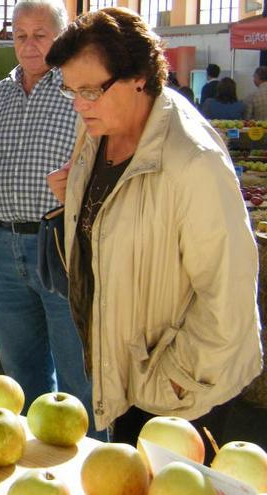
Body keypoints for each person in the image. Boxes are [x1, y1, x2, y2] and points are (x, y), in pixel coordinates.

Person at [45, 8, 262, 453]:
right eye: (71, 92)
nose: (79, 105)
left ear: (140, 77)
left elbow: (229, 297)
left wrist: (173, 382)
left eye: (91, 90)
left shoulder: (194, 160)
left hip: (178, 393)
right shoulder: (98, 129)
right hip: (125, 373)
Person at [0, 0, 102, 438]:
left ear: (62, 37)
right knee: (18, 371)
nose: (28, 44)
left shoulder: (78, 91)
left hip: (61, 244)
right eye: (20, 34)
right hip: (2, 247)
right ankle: (25, 460)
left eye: (39, 34)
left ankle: (91, 464)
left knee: (78, 369)